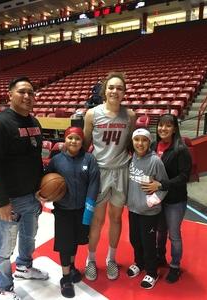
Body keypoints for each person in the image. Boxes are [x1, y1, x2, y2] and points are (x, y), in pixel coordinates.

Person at [0, 76, 48, 300]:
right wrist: (2, 201)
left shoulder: (34, 123)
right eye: (22, 92)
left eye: (31, 92)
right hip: (9, 199)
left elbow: (36, 159)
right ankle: (2, 287)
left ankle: (24, 267)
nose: (27, 96)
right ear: (10, 94)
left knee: (29, 237)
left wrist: (41, 188)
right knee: (5, 247)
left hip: (31, 196)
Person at [83, 71, 136, 281]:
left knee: (116, 219)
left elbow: (132, 146)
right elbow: (85, 143)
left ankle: (111, 259)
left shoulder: (130, 116)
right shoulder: (92, 114)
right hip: (99, 172)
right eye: (111, 87)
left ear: (124, 92)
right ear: (105, 90)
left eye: (119, 88)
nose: (115, 91)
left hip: (121, 171)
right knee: (97, 220)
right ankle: (91, 260)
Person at [37, 127, 100, 298]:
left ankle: (72, 267)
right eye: (70, 138)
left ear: (82, 142)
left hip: (82, 210)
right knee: (65, 245)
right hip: (63, 211)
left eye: (77, 138)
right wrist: (44, 194)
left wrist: (88, 213)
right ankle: (65, 278)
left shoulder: (89, 159)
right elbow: (45, 182)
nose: (73, 141)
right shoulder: (56, 161)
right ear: (65, 140)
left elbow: (94, 187)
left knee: (75, 242)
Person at [141, 113, 192, 283]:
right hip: (158, 199)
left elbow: (184, 176)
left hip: (175, 200)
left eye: (168, 125)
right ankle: (160, 257)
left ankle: (175, 266)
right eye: (161, 125)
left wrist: (161, 185)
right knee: (160, 231)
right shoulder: (154, 145)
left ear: (174, 128)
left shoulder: (180, 149)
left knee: (174, 235)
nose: (163, 128)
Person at [127, 128, 168, 289]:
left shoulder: (155, 161)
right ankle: (139, 263)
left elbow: (164, 186)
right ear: (132, 142)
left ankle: (152, 272)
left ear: (149, 142)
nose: (140, 143)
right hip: (133, 209)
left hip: (149, 212)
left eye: (144, 140)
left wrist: (151, 202)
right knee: (134, 239)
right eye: (137, 140)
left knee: (148, 243)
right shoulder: (132, 159)